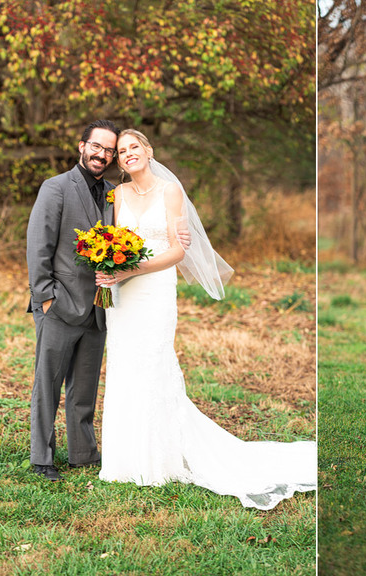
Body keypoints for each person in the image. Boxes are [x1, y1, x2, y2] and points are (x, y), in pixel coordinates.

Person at [94, 129, 316, 510]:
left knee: (153, 365)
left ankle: (158, 460)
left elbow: (179, 250)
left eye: (135, 147)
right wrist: (108, 267)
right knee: (124, 367)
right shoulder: (118, 194)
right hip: (124, 296)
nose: (129, 155)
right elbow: (113, 240)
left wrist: (131, 270)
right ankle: (124, 460)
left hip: (154, 290)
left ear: (148, 151)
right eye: (123, 151)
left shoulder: (169, 191)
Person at [26, 119, 120, 481]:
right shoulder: (56, 187)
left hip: (97, 308)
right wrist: (45, 298)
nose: (102, 155)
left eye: (109, 150)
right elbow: (39, 245)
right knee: (47, 385)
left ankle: (83, 454)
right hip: (59, 305)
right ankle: (42, 458)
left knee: (84, 388)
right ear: (81, 146)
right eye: (97, 147)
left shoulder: (114, 193)